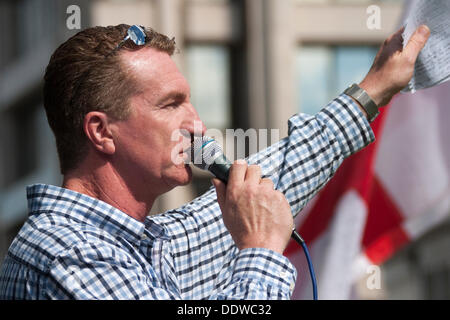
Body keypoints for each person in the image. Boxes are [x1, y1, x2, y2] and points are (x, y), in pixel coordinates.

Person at [0, 23, 430, 299]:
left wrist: (373, 90)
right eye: (171, 105)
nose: (198, 124)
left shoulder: (148, 243)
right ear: (101, 132)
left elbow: (284, 166)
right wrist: (260, 250)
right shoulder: (67, 254)